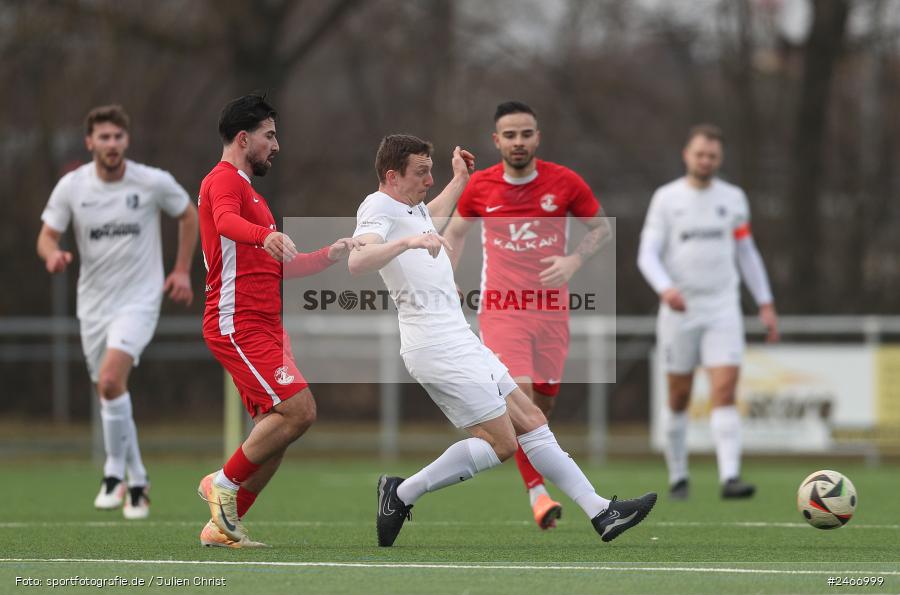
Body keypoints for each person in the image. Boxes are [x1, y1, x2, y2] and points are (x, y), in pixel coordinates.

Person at [349, 134, 655, 548]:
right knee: (501, 444)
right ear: (391, 175)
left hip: (459, 338)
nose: (428, 179)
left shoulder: (407, 207)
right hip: (436, 347)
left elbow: (430, 216)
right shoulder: (377, 206)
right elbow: (358, 259)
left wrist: (458, 181)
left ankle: (602, 512)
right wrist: (406, 242)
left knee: (531, 421)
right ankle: (400, 494)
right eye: (421, 172)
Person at [196, 93, 361, 548]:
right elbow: (227, 222)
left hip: (265, 326)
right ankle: (222, 484)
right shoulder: (223, 181)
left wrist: (330, 254)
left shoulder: (254, 195)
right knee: (299, 410)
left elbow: (279, 265)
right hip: (237, 322)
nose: (277, 145)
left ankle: (222, 525)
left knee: (279, 429)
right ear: (244, 138)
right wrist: (264, 233)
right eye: (270, 135)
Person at [442, 101, 611, 530]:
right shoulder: (480, 186)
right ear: (496, 140)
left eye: (526, 134)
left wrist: (573, 262)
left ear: (537, 137)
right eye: (510, 135)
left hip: (552, 313)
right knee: (518, 401)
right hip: (502, 311)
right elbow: (455, 234)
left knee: (543, 402)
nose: (518, 142)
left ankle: (538, 475)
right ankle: (537, 493)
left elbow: (601, 228)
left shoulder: (565, 182)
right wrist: (444, 278)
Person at [37, 105, 197, 520]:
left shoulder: (150, 181)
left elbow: (187, 214)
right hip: (92, 303)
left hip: (139, 298)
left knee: (110, 380)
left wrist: (180, 270)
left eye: (117, 137)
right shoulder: (72, 187)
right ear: (90, 142)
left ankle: (112, 473)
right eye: (103, 137)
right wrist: (53, 256)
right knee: (110, 390)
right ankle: (139, 479)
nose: (111, 144)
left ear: (127, 140)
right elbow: (47, 237)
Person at [637, 124, 779, 501]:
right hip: (679, 311)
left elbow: (746, 252)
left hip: (722, 309)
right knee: (679, 396)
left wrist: (764, 302)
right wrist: (665, 288)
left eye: (712, 156)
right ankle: (679, 476)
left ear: (720, 159)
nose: (706, 161)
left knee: (724, 389)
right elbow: (646, 253)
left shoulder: (733, 199)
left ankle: (730, 477)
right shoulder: (667, 199)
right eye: (700, 154)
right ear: (687, 154)